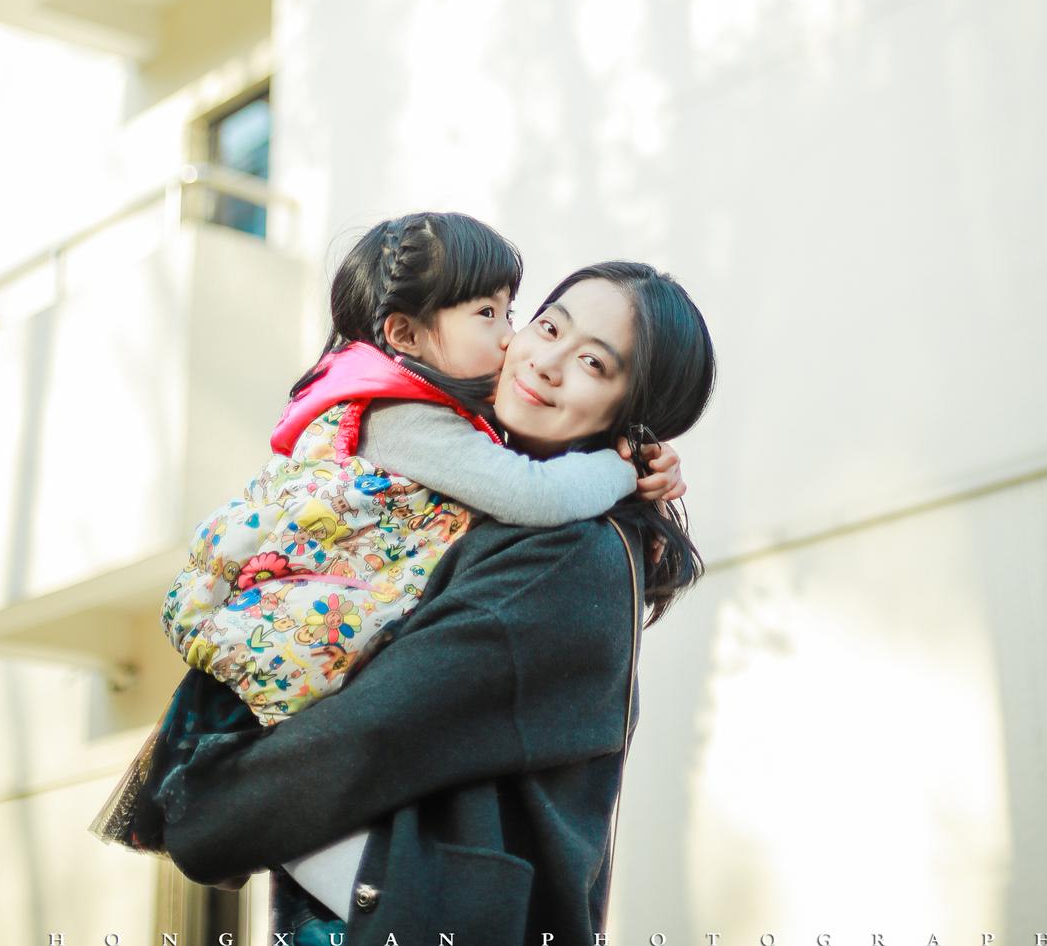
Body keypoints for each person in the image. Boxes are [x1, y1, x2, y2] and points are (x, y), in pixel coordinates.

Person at [153, 260, 716, 946]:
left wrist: (208, 809)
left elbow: (381, 727)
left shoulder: (569, 555)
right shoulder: (469, 491)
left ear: (631, 414)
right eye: (548, 328)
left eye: (593, 364)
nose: (546, 364)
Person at [159, 212, 681, 725]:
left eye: (510, 313)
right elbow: (532, 493)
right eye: (488, 314)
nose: (511, 339)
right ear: (405, 335)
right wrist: (622, 471)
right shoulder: (401, 415)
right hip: (282, 665)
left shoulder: (416, 409)